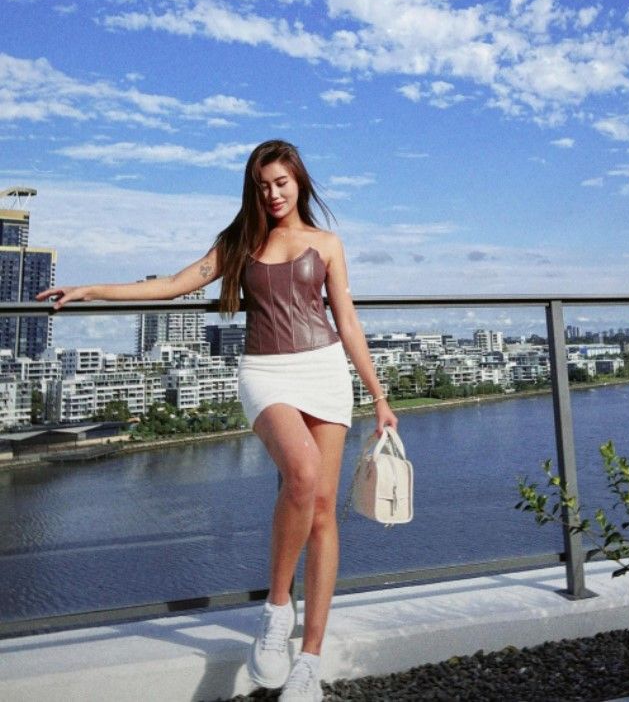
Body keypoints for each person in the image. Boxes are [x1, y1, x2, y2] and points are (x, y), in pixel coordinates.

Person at [37, 139, 397, 702]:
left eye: (281, 183)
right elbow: (172, 285)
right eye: (262, 186)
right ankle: (276, 608)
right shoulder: (238, 243)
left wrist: (379, 396)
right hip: (266, 373)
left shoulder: (327, 243)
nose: (272, 194)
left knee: (325, 512)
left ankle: (309, 661)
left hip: (325, 370)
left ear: (299, 182)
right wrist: (91, 289)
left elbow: (347, 322)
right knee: (302, 475)